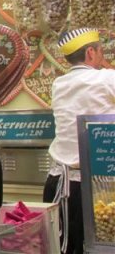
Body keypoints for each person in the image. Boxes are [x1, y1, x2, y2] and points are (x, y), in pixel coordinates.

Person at [43, 28, 115, 254]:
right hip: (95, 189)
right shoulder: (106, 79)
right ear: (91, 52)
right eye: (101, 51)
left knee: (64, 248)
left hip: (58, 183)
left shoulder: (58, 84)